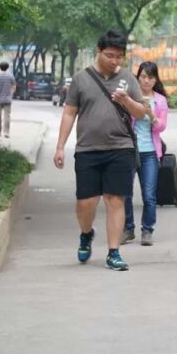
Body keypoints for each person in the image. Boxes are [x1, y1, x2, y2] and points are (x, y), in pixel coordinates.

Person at [53, 30, 147, 271]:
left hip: (121, 148)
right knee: (86, 202)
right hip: (88, 149)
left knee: (115, 200)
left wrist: (126, 100)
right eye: (109, 55)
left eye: (119, 56)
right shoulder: (81, 79)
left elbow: (141, 112)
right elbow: (69, 113)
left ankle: (114, 252)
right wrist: (60, 146)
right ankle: (86, 233)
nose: (114, 61)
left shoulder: (128, 78)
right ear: (99, 51)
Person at [121, 62, 169, 246]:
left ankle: (147, 230)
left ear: (155, 79)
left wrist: (150, 114)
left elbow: (161, 127)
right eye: (143, 76)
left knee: (149, 195)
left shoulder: (160, 100)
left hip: (150, 153)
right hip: (130, 151)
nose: (146, 81)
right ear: (137, 77)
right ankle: (128, 229)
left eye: (150, 77)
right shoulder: (130, 97)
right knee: (125, 193)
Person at [0, 62, 16, 138]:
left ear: (0, 67)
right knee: (7, 116)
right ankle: (6, 132)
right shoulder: (11, 76)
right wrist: (11, 94)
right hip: (8, 100)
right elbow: (14, 87)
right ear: (7, 67)